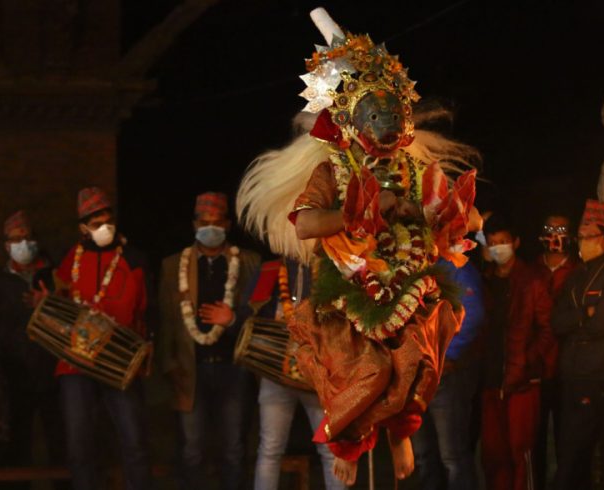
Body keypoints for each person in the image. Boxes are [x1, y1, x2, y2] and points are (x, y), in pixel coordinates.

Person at [235, 8, 482, 486]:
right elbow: (306, 224)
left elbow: (468, 219)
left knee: (419, 360)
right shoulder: (333, 170)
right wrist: (362, 212)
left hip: (410, 285)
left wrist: (432, 212)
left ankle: (400, 432)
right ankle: (348, 440)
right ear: (352, 123)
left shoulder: (415, 170)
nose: (385, 139)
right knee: (362, 369)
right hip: (353, 287)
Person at [157, 192, 260, 490]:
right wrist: (170, 366)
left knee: (234, 449)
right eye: (204, 222)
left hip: (234, 368)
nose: (210, 228)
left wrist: (232, 319)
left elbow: (258, 315)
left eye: (216, 222)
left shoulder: (248, 262)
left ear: (227, 224)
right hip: (191, 370)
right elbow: (166, 320)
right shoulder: (173, 265)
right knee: (192, 450)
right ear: (194, 225)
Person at [53, 187, 152, 490]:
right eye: (97, 224)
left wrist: (145, 347)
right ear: (83, 227)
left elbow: (145, 310)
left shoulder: (134, 259)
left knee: (134, 441)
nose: (105, 227)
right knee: (79, 445)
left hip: (119, 359)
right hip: (76, 363)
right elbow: (59, 305)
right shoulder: (69, 260)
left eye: (108, 221)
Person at [551, 199, 604, 490]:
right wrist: (584, 314)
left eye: (589, 237)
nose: (583, 243)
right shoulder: (577, 275)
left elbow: (602, 323)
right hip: (572, 373)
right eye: (580, 237)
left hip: (598, 374)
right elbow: (557, 322)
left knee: (574, 454)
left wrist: (580, 321)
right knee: (572, 454)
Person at [244, 258, 346, 490]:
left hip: (319, 374)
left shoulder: (332, 268)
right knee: (270, 449)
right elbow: (249, 313)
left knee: (330, 449)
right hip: (276, 372)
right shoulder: (271, 268)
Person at [0, 211, 64, 485]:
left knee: (60, 442)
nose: (23, 243)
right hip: (14, 374)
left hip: (53, 370)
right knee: (17, 445)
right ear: (7, 245)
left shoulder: (54, 276)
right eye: (16, 239)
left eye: (26, 237)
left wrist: (49, 303)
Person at [479, 214, 555, 490]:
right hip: (490, 381)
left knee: (521, 453)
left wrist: (526, 362)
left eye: (503, 242)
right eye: (492, 243)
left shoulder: (533, 280)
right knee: (493, 455)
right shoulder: (485, 280)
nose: (498, 248)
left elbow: (547, 329)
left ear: (516, 242)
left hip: (521, 383)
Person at [411, 259, 484, 490]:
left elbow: (473, 314)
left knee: (452, 455)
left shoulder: (456, 267)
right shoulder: (407, 265)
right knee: (423, 453)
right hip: (415, 376)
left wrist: (447, 354)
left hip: (445, 376)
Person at [532, 212, 579, 489]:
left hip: (566, 367)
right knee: (534, 436)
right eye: (550, 229)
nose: (555, 236)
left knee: (566, 436)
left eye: (561, 230)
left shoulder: (577, 271)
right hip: (536, 367)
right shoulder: (532, 270)